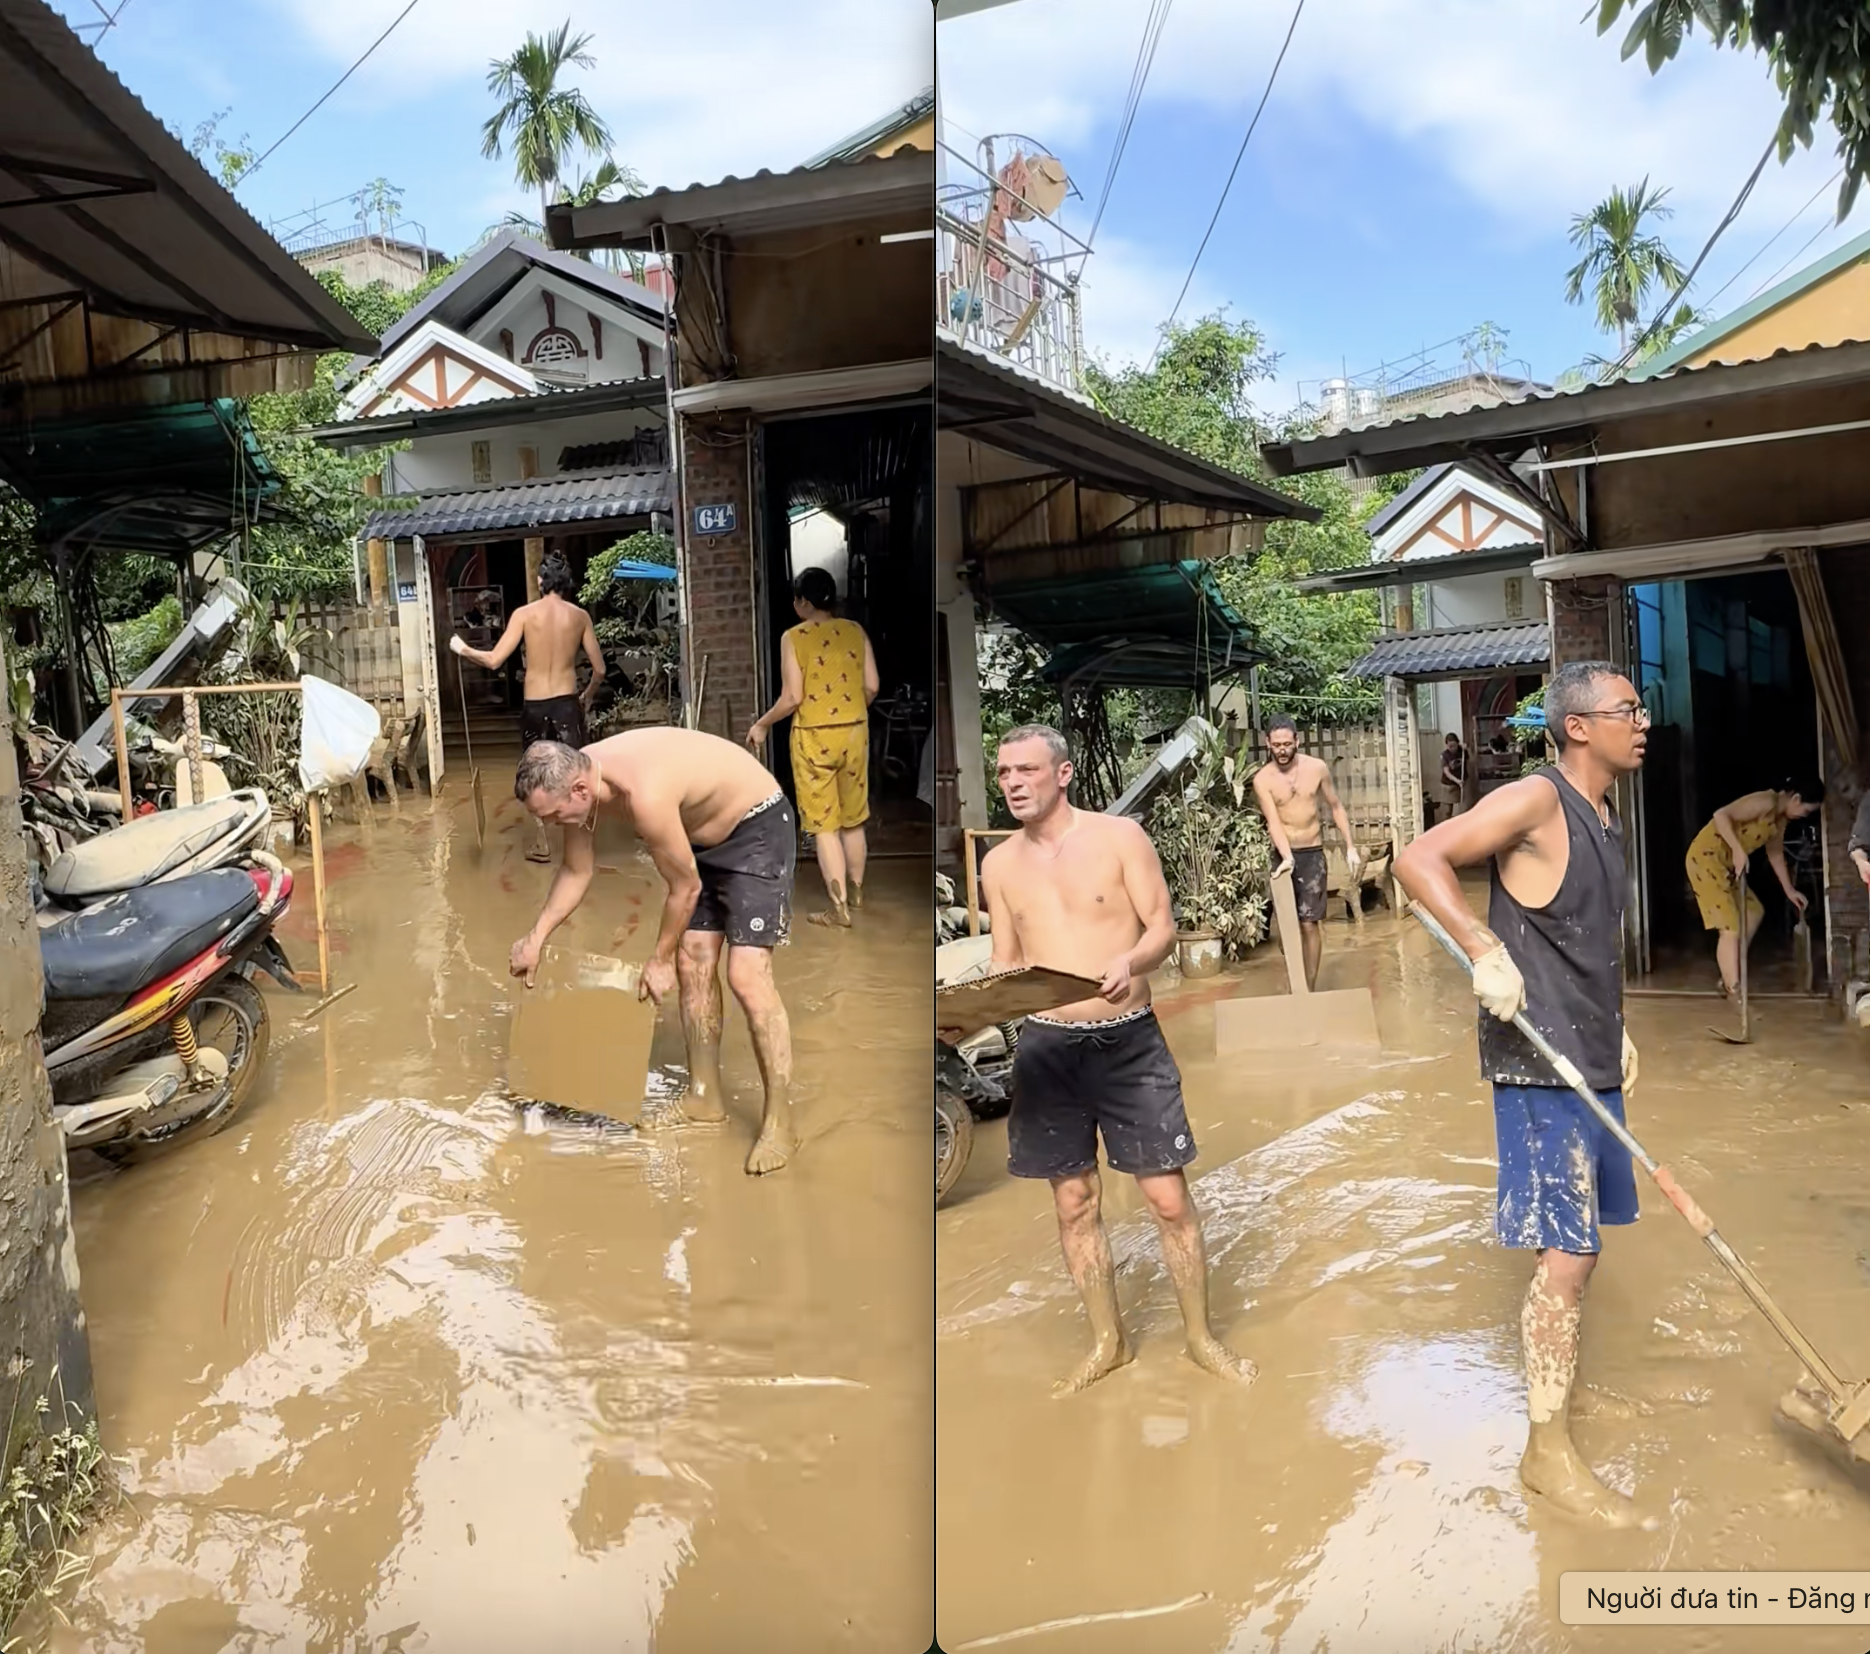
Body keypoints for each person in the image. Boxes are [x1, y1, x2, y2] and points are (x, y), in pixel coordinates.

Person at [1394, 660, 1653, 1529]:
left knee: (1584, 1247)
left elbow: (1579, 938)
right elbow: (1418, 856)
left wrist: (1613, 1023)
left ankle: (1561, 1408)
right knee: (1567, 1257)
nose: (1642, 720)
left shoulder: (1606, 815)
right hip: (1539, 1061)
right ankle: (1547, 1454)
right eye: (1627, 708)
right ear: (1577, 725)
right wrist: (1481, 947)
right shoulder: (1538, 800)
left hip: (1589, 1054)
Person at [979, 724, 1253, 1395]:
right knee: (1073, 1203)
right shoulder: (999, 865)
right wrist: (979, 1001)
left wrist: (1130, 960)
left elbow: (1161, 925)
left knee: (1166, 1198)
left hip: (1128, 1039)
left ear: (1063, 773)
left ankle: (1199, 1337)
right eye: (1003, 772)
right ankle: (1109, 1342)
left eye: (1025, 770)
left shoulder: (1119, 838)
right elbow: (1007, 961)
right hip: (1047, 1049)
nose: (1012, 782)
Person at [508, 730, 798, 1176]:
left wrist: (657, 959)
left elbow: (685, 888)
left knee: (746, 974)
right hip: (698, 839)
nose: (550, 824)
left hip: (756, 826)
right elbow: (576, 869)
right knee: (693, 960)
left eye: (552, 815)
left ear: (579, 791)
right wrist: (535, 938)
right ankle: (705, 1098)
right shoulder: (581, 779)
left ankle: (781, 1122)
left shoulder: (644, 793)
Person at [450, 551, 607, 861]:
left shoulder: (524, 614)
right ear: (566, 583)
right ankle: (578, 847)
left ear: (540, 581)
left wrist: (463, 648)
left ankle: (542, 843)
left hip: (534, 707)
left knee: (535, 774)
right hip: (567, 704)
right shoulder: (580, 617)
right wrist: (587, 695)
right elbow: (599, 670)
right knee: (575, 771)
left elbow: (494, 660)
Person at [745, 567, 879, 927]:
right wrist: (850, 713)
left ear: (803, 602)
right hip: (855, 733)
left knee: (825, 827)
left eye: (796, 600)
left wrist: (762, 724)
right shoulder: (855, 631)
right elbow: (872, 687)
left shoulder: (794, 637)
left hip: (814, 737)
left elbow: (792, 697)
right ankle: (857, 893)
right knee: (853, 820)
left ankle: (839, 910)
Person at [1249, 714, 1362, 989]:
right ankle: (1294, 975)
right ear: (1268, 744)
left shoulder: (1317, 768)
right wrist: (1286, 856)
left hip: (1312, 853)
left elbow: (1335, 806)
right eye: (1277, 745)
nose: (1283, 750)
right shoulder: (1262, 779)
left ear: (1297, 741)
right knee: (1287, 926)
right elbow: (1272, 821)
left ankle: (1306, 989)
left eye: (1287, 743)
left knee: (1309, 924)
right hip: (1282, 855)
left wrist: (1350, 847)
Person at [1684, 782, 1820, 996]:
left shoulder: (1779, 819)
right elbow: (1721, 815)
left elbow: (1775, 852)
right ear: (1796, 799)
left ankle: (1729, 973)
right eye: (1806, 810)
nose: (1804, 815)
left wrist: (1789, 890)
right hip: (1707, 858)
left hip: (1728, 866)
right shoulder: (1765, 801)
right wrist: (1738, 851)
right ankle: (1735, 993)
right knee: (1729, 926)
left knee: (1753, 912)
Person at [1440, 732, 1468, 820]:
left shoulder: (1462, 751)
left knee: (1462, 808)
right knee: (1447, 811)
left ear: (1457, 743)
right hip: (1449, 785)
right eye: (1449, 746)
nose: (1451, 748)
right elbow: (1446, 772)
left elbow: (1470, 759)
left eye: (1453, 745)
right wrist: (1457, 781)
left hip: (1462, 783)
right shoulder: (1445, 755)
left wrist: (1466, 749)